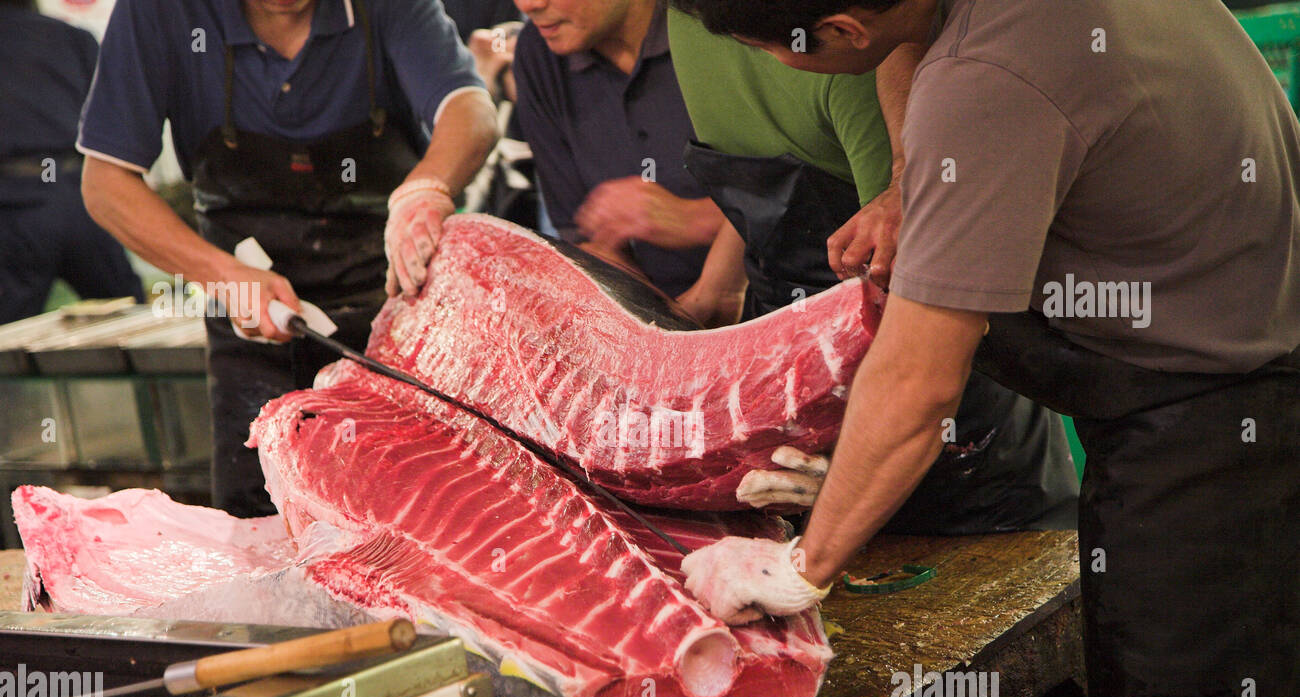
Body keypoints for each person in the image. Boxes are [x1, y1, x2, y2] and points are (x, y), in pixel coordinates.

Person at [676, 0, 1300, 697]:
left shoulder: (985, 84)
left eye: (778, 52)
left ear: (846, 27)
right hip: (1234, 316)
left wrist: (800, 566)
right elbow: (909, 50)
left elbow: (920, 381)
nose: (778, 69)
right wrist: (912, 186)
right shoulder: (955, 26)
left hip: (1217, 410)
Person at [78, 0, 497, 517]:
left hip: (395, 317)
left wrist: (425, 190)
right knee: (265, 534)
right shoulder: (160, 12)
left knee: (416, 523)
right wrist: (223, 275)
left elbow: (470, 110)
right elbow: (105, 185)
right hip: (249, 326)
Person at [669, 6, 1077, 532]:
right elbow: (760, 183)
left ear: (845, 30)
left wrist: (818, 547)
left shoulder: (852, 63)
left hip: (953, 409)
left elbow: (920, 345)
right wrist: (715, 294)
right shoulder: (692, 17)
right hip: (796, 365)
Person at [511, 0, 724, 298]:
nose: (527, 5)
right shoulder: (539, 54)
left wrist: (699, 220)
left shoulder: (721, 24)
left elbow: (804, 201)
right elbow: (587, 242)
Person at [0, 0, 142, 325]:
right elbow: (115, 121)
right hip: (81, 194)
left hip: (13, 205)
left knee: (6, 342)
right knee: (131, 313)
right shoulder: (71, 38)